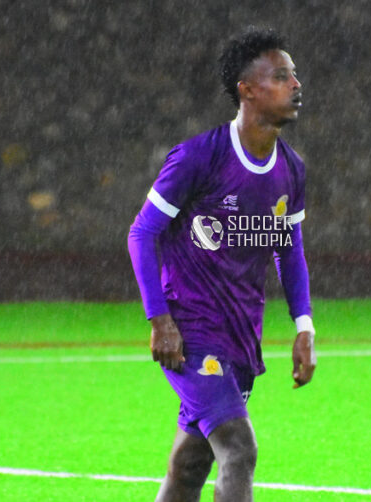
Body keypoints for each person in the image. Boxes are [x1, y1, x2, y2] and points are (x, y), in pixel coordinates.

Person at [127, 27, 316, 502]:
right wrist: (160, 320)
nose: (296, 85)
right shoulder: (199, 157)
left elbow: (289, 249)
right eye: (281, 76)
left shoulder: (291, 169)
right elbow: (142, 233)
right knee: (239, 449)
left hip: (242, 334)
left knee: (189, 466)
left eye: (294, 75)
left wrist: (304, 327)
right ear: (247, 90)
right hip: (190, 332)